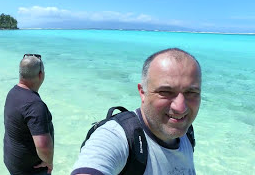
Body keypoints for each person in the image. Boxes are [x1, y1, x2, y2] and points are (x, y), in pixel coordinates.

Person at [71, 48, 202, 175]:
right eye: (165, 92)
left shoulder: (187, 133)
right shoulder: (117, 137)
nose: (181, 108)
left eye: (191, 92)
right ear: (142, 92)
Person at [4, 54, 54, 175]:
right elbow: (43, 146)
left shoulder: (13, 92)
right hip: (32, 170)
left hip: (13, 162)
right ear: (41, 75)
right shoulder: (35, 105)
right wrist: (49, 162)